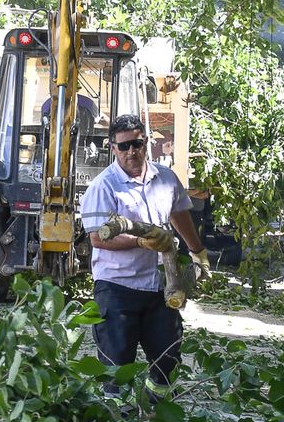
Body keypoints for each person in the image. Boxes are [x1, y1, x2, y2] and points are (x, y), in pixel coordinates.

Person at [79, 114, 210, 395]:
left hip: (160, 287)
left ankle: (154, 410)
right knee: (116, 369)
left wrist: (198, 251)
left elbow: (179, 214)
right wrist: (140, 242)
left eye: (137, 144)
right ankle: (118, 416)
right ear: (113, 148)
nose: (131, 151)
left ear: (146, 143)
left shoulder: (165, 178)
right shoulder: (104, 186)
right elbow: (98, 238)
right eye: (124, 146)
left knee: (168, 360)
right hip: (117, 288)